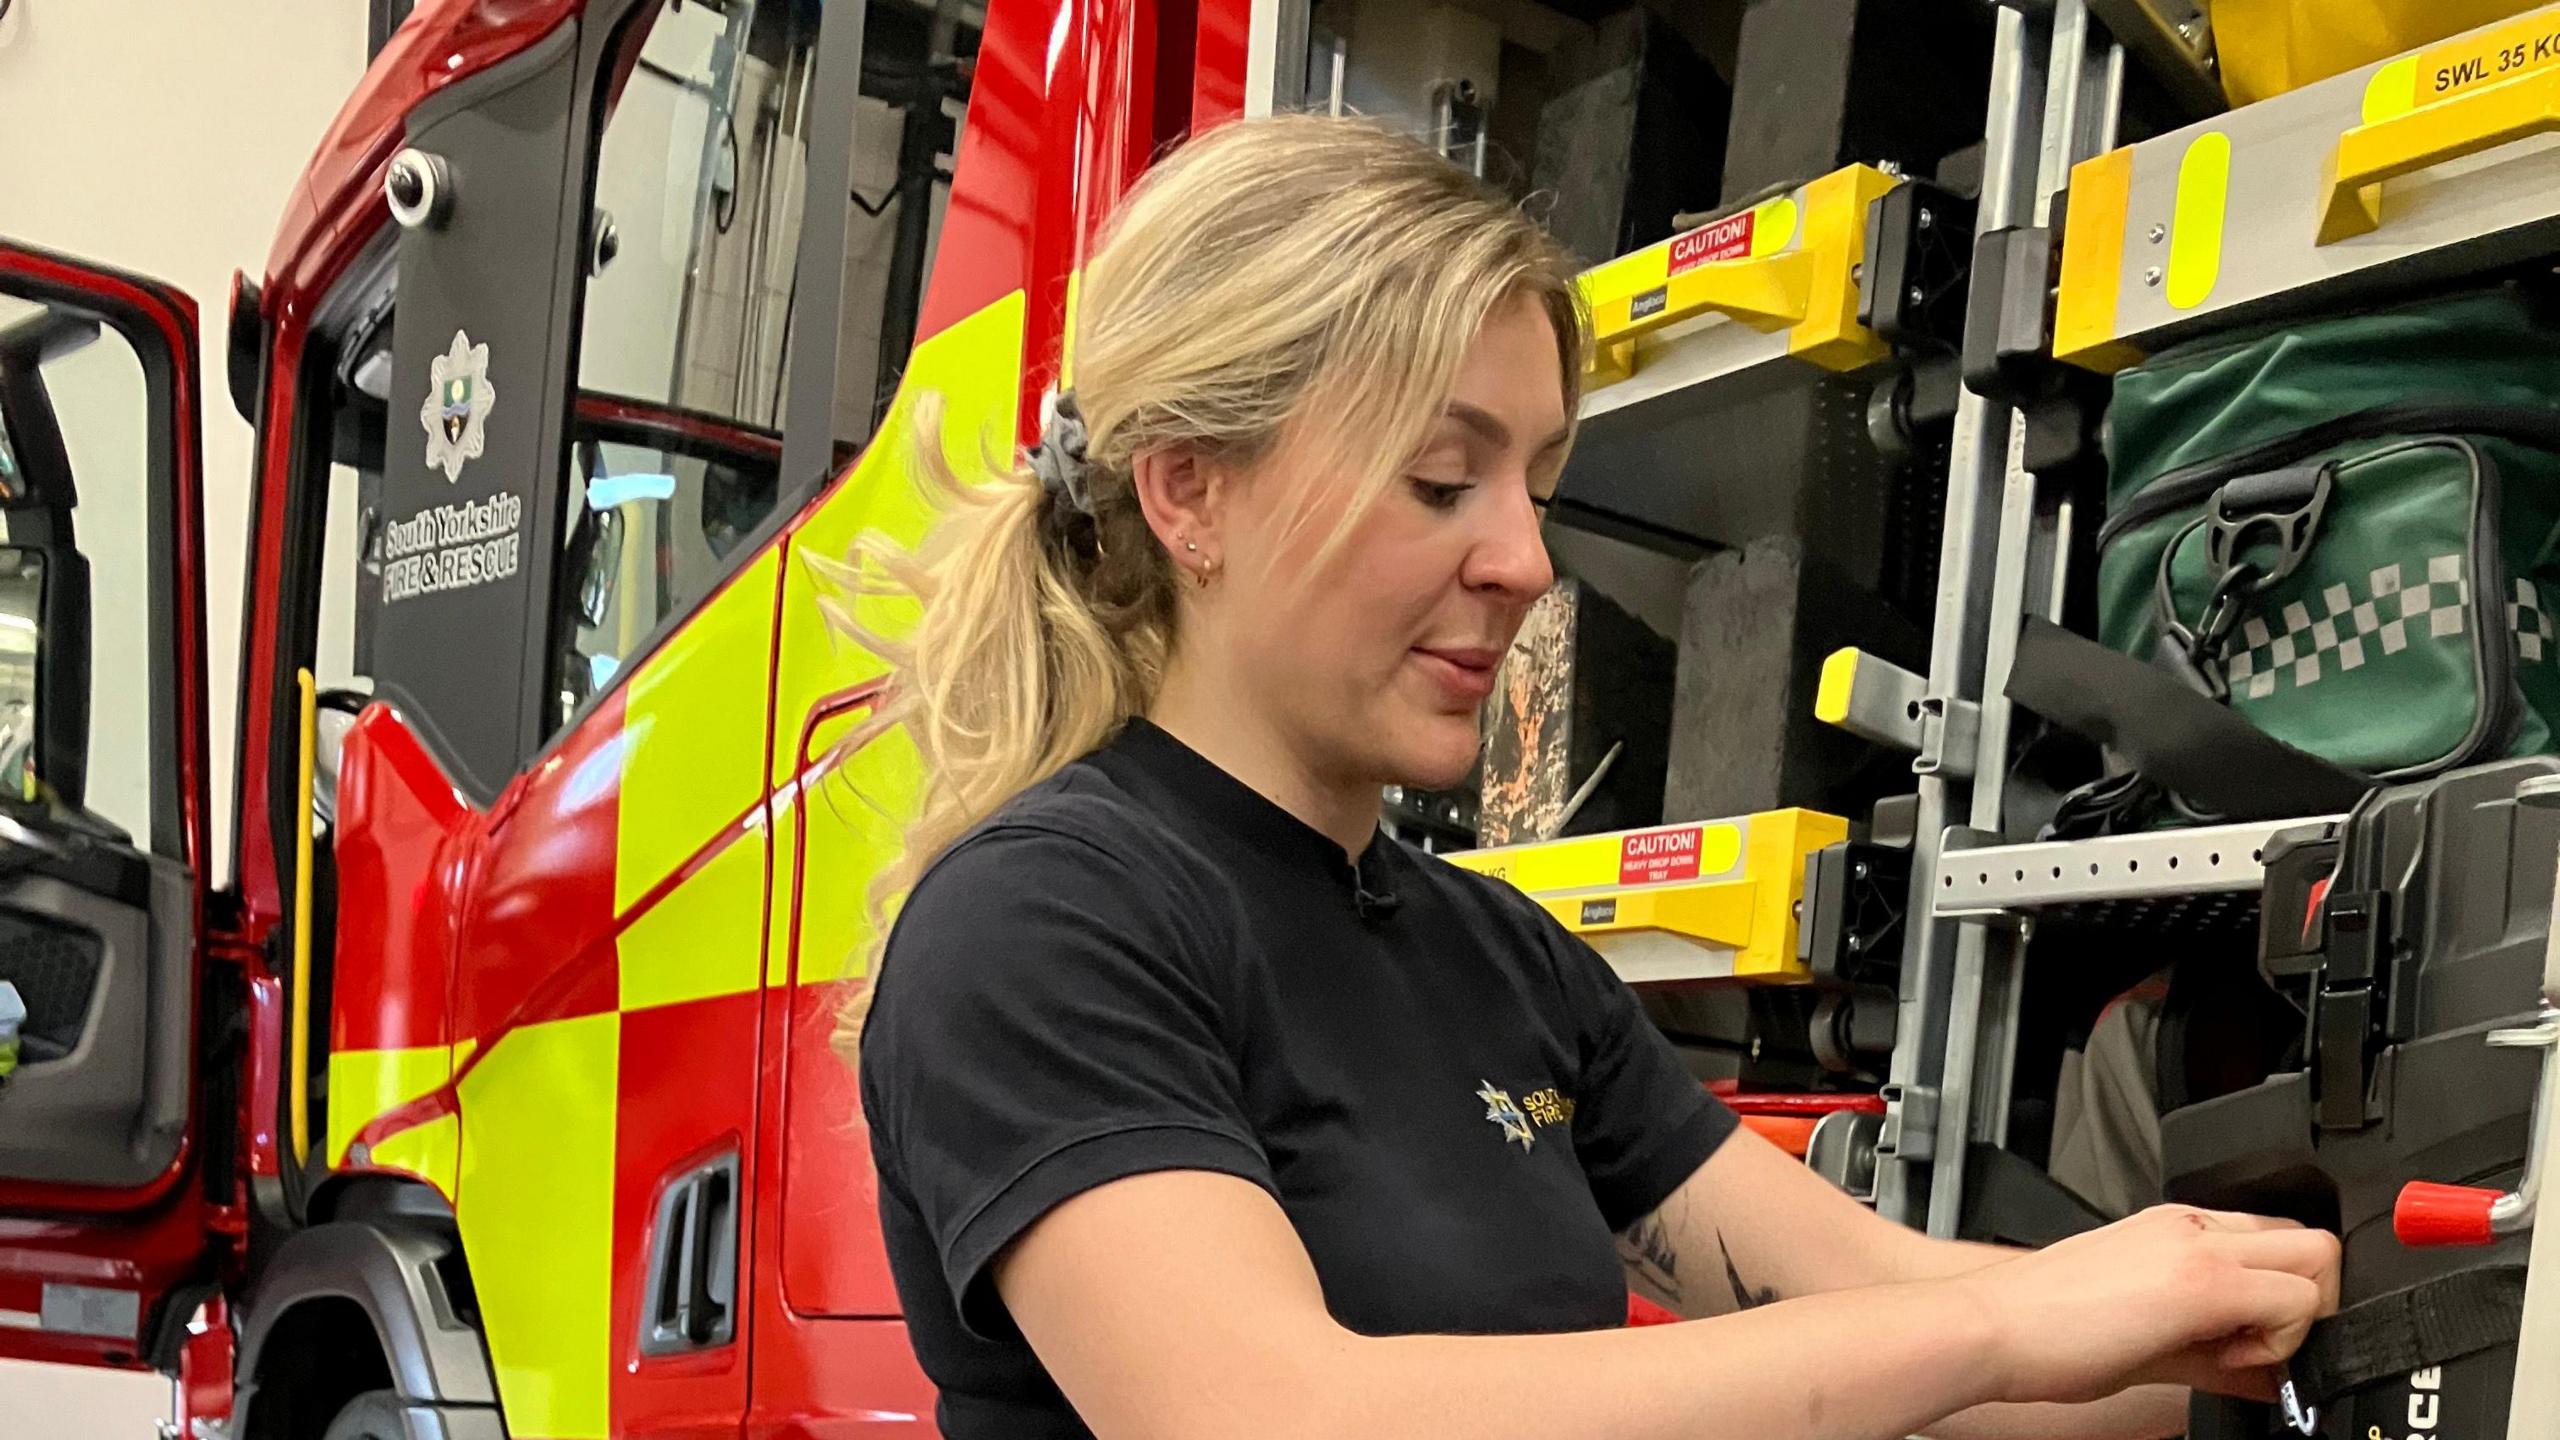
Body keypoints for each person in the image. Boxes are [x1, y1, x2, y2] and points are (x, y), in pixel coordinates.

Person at [846, 114, 2339, 1440]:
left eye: (1540, 487)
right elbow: (1273, 1413)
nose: (1524, 560)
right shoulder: (1043, 924)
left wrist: (2280, 1325)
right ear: (1190, 489)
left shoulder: (1497, 959)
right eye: (1443, 481)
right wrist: (2008, 1326)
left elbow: (1896, 1309)